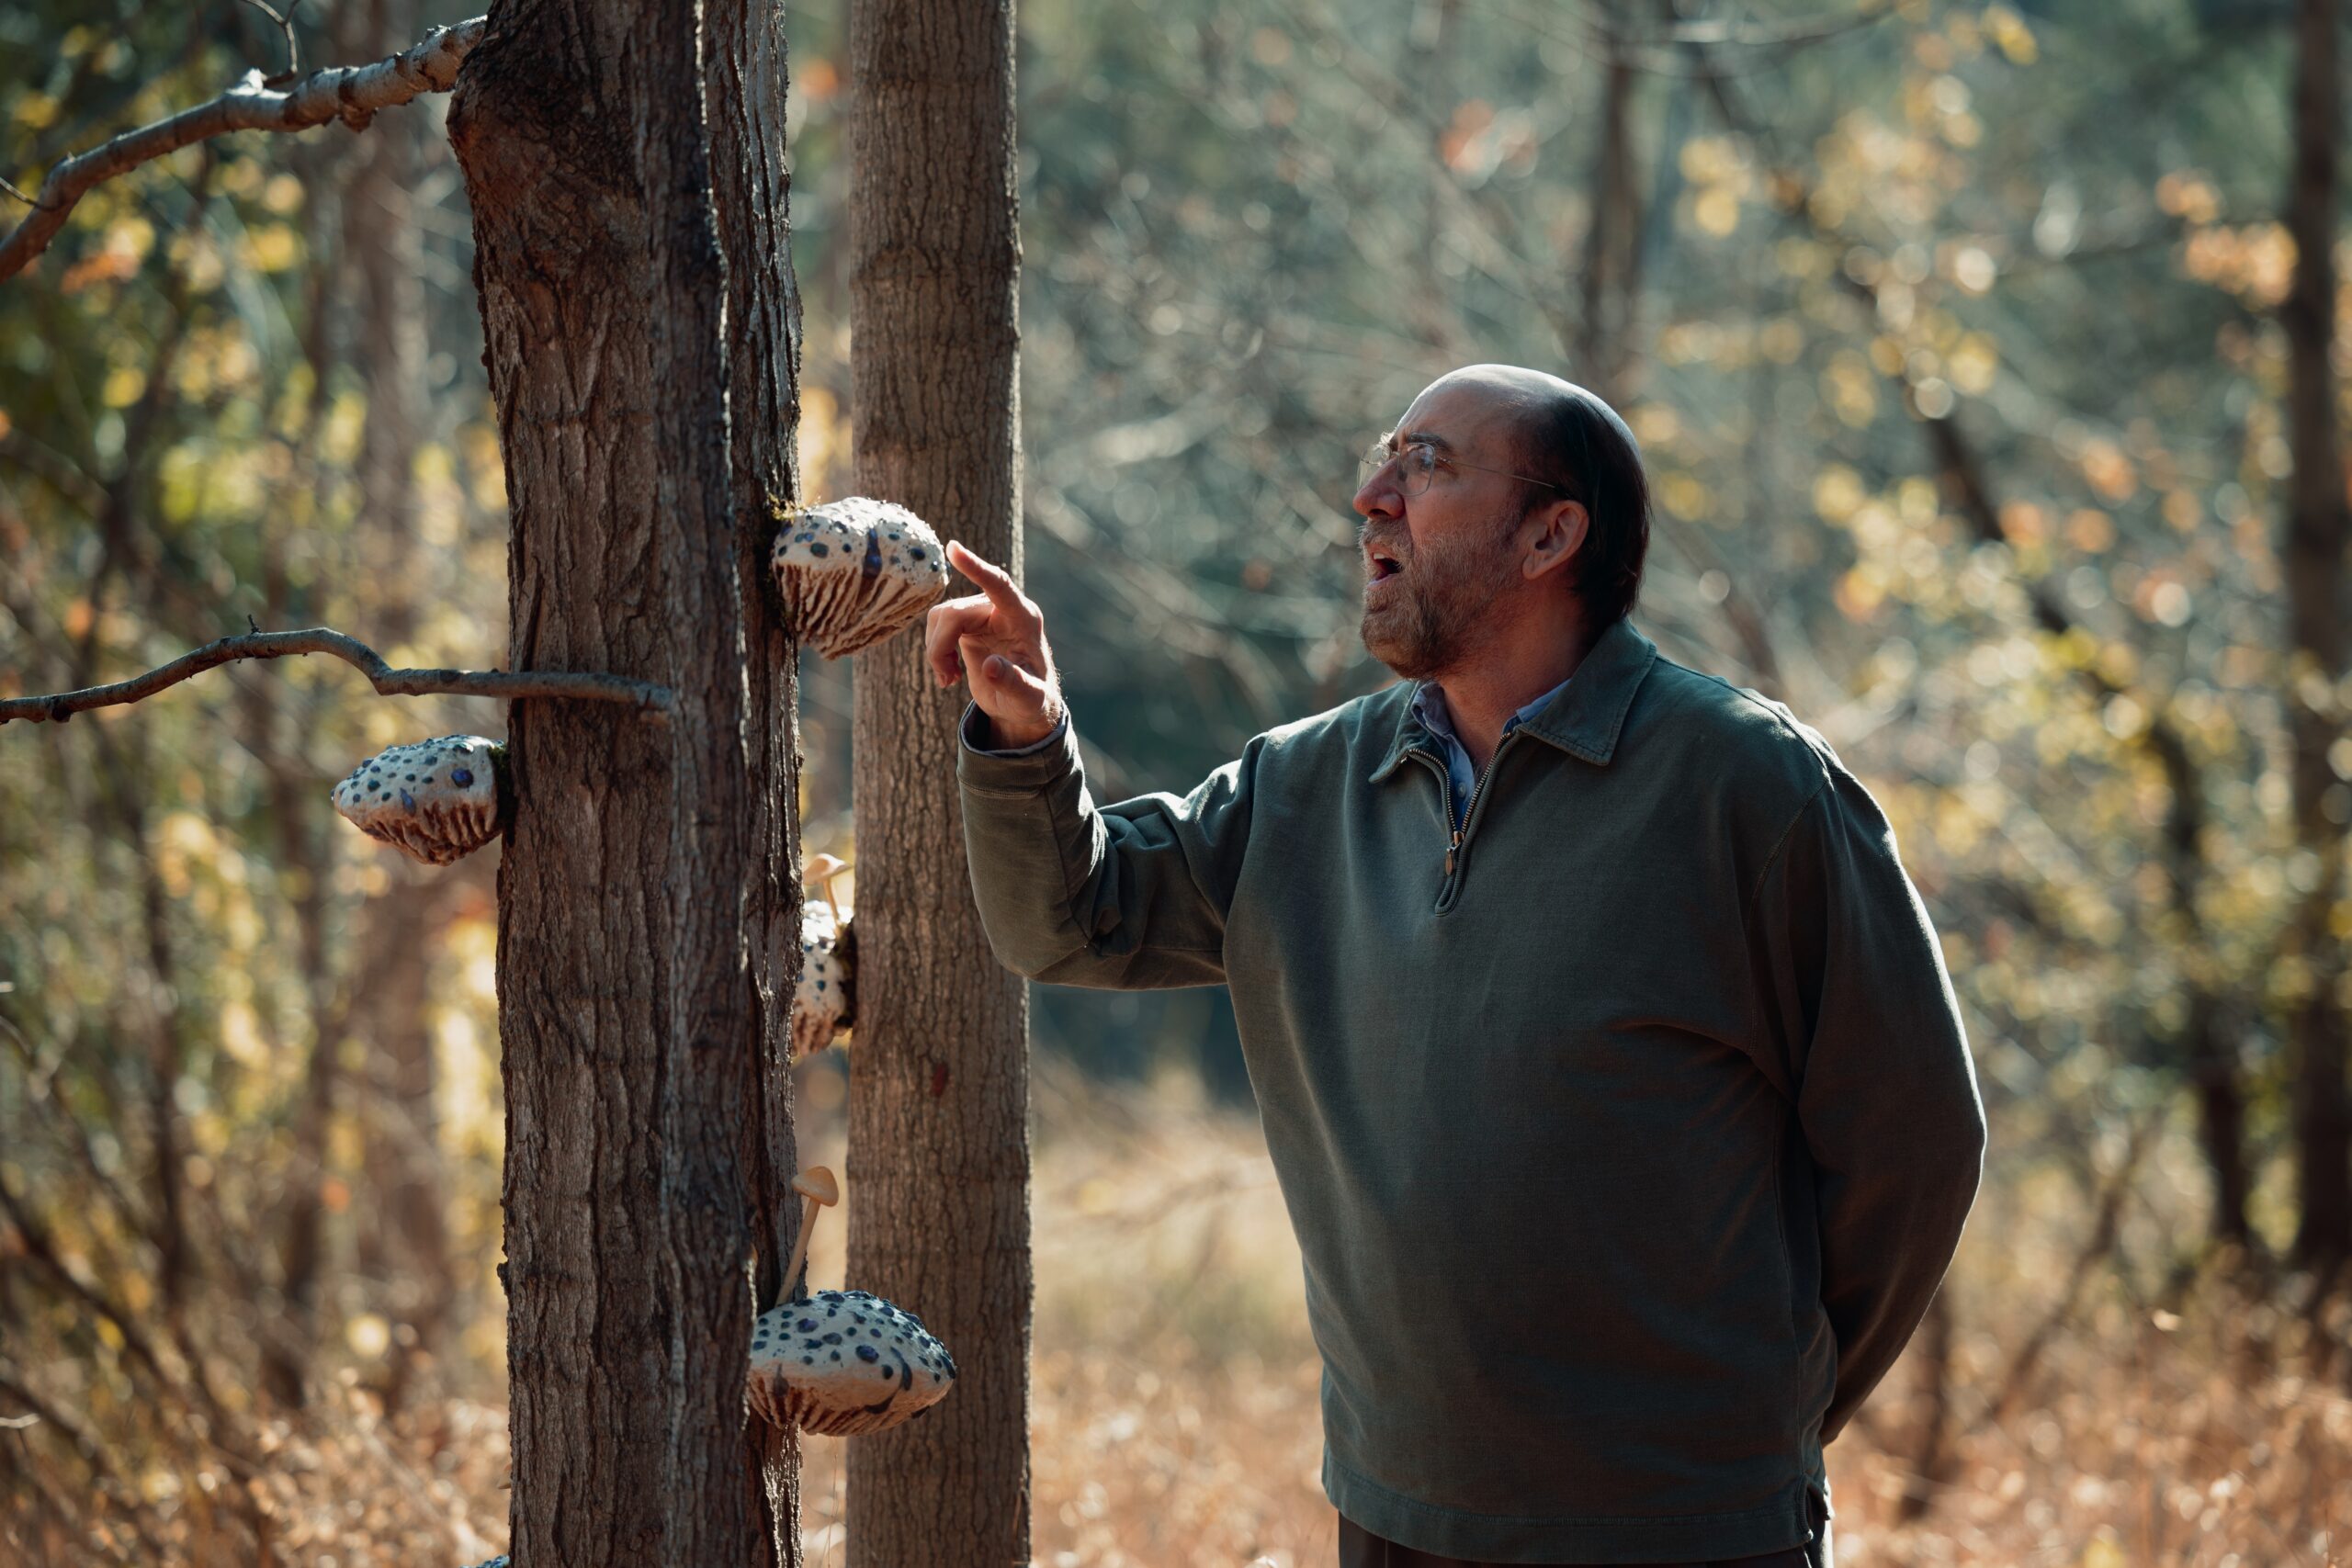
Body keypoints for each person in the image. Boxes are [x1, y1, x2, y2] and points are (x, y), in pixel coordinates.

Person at [927, 364, 1985, 1568]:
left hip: (1689, 1527)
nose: (1372, 496)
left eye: (1425, 463)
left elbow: (1913, 1141)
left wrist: (1762, 1415)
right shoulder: (1301, 787)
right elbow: (1074, 920)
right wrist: (1027, 733)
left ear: (1549, 535)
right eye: (1385, 456)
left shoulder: (1748, 784)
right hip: (1398, 1515)